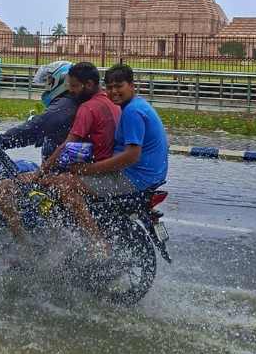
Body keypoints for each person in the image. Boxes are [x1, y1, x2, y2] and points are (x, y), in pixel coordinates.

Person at [42, 63, 168, 256]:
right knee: (69, 178)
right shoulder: (136, 105)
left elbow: (131, 156)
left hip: (135, 177)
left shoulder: (132, 112)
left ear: (132, 85)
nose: (114, 91)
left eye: (119, 86)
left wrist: (90, 169)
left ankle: (98, 244)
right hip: (148, 175)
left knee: (64, 185)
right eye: (110, 87)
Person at [0, 61, 118, 244]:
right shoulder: (105, 101)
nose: (71, 89)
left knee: (4, 188)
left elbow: (61, 143)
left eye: (74, 86)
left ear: (88, 85)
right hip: (91, 167)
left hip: (82, 171)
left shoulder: (83, 107)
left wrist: (38, 173)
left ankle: (24, 247)